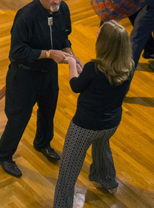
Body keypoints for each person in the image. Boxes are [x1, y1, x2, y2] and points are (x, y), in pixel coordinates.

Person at [0, 0, 83, 178]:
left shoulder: (64, 10)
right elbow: (17, 52)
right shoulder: (25, 16)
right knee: (18, 119)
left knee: (48, 111)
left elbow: (63, 39)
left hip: (48, 74)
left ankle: (43, 143)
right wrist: (49, 54)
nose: (57, 2)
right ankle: (3, 155)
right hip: (24, 77)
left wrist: (71, 55)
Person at [52, 21, 135, 206]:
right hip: (111, 123)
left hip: (85, 126)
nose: (96, 35)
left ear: (104, 43)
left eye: (99, 34)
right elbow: (99, 85)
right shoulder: (129, 65)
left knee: (69, 168)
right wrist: (84, 74)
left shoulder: (94, 68)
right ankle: (106, 179)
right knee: (101, 144)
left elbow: (75, 86)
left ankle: (62, 204)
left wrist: (72, 63)